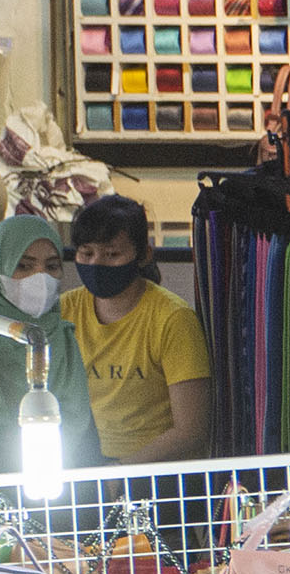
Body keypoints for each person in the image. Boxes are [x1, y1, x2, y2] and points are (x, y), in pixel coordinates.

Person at [57, 191, 211, 464]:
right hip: (90, 462)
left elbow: (191, 431)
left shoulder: (173, 319)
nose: (96, 263)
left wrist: (120, 471)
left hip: (159, 471)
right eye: (86, 253)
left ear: (143, 255)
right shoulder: (66, 310)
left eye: (112, 254)